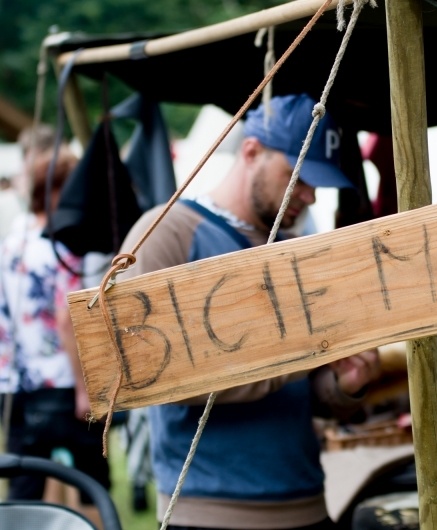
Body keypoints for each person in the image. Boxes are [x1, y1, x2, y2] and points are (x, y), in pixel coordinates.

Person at [118, 93, 380, 530]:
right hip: (210, 513)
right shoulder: (166, 232)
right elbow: (152, 375)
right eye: (298, 176)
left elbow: (301, 392)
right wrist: (301, 353)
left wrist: (341, 384)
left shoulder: (291, 249)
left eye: (317, 182)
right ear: (251, 151)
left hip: (307, 504)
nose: (310, 197)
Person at [0, 146, 111, 526]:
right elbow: (68, 319)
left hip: (16, 384)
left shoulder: (11, 241)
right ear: (57, 190)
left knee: (23, 488)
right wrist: (85, 388)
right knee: (92, 483)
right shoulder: (65, 245)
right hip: (64, 382)